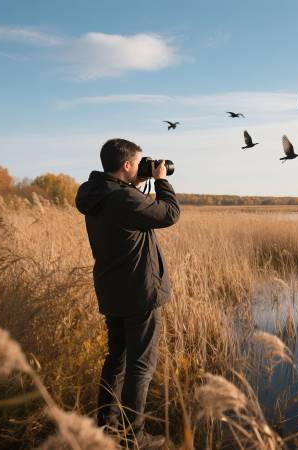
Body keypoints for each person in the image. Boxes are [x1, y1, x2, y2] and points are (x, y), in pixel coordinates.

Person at [75, 138, 180, 448]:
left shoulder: (97, 194)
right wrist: (161, 182)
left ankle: (105, 428)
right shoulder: (123, 199)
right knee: (140, 367)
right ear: (126, 165)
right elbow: (169, 213)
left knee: (116, 362)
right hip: (140, 293)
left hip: (112, 292)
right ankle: (134, 437)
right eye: (138, 163)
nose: (142, 167)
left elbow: (130, 209)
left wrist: (138, 184)